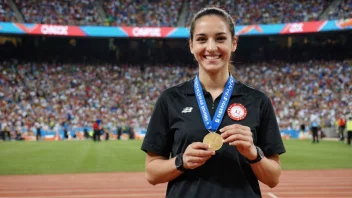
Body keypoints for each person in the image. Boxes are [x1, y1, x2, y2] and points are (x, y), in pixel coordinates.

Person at [141, 7, 286, 198]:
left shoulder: (258, 101)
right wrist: (181, 161)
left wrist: (253, 154)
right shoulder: (170, 99)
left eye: (220, 38)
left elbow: (273, 178)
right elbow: (152, 173)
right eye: (202, 39)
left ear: (233, 43)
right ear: (191, 45)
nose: (211, 48)